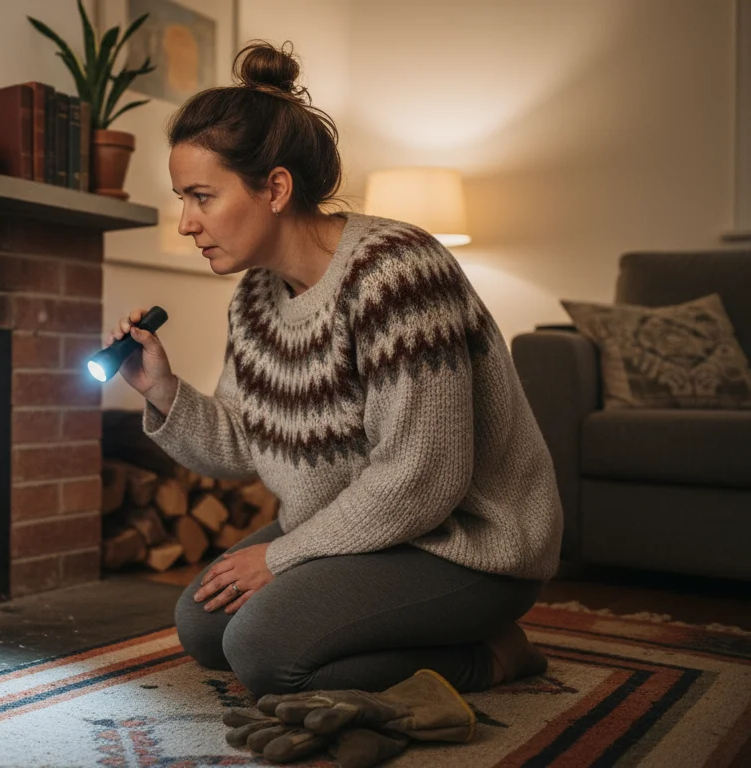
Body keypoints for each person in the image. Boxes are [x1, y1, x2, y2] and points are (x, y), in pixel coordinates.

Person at [104, 41, 563, 698]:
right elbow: (242, 443)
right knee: (204, 627)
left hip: (467, 545)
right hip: (366, 529)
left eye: (202, 196)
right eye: (183, 198)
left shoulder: (398, 274)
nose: (185, 223)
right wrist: (162, 389)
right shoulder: (256, 300)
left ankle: (491, 655)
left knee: (264, 652)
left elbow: (422, 482)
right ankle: (395, 632)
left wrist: (283, 557)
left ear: (276, 188)